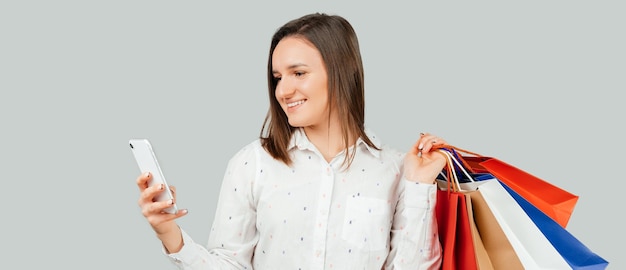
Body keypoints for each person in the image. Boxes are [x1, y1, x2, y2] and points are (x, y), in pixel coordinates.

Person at [136, 12, 449, 270]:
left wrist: (420, 184)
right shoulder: (252, 164)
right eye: (278, 77)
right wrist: (170, 234)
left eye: (298, 73)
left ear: (342, 72)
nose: (283, 91)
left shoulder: (394, 170)